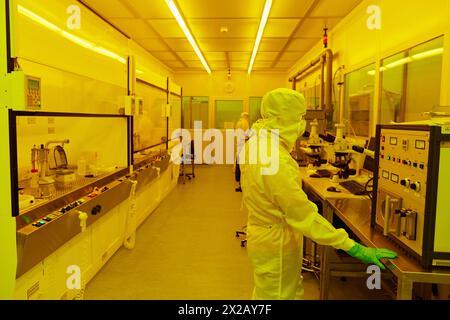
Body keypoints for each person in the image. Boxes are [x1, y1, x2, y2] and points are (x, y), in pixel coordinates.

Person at [239, 88, 397, 300]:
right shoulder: (274, 157)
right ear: (286, 117)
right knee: (280, 295)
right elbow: (302, 214)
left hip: (265, 233)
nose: (302, 123)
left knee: (270, 293)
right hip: (276, 241)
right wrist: (352, 246)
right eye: (300, 117)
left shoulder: (257, 143)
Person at [234, 112, 250, 192]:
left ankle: (240, 184)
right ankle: (243, 186)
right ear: (246, 117)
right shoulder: (245, 123)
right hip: (243, 147)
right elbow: (247, 135)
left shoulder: (238, 122)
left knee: (239, 167)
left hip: (239, 147)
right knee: (243, 168)